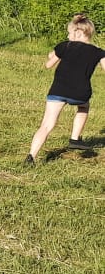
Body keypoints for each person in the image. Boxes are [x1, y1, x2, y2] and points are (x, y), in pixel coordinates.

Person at [26, 12, 105, 165]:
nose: (68, 37)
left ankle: (31, 156)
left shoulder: (64, 46)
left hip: (57, 91)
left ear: (78, 32)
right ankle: (75, 138)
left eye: (69, 33)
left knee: (46, 125)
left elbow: (48, 65)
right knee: (83, 106)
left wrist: (53, 54)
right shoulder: (98, 51)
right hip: (80, 92)